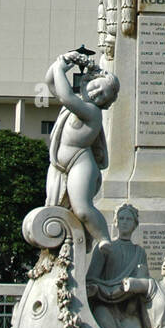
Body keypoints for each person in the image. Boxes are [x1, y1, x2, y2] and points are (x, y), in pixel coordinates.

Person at [43, 50, 119, 246]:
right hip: (59, 165)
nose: (96, 94)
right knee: (55, 208)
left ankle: (104, 240)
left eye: (102, 96)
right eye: (97, 87)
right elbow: (51, 83)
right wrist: (63, 60)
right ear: (89, 80)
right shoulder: (78, 103)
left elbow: (65, 96)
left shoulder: (92, 111)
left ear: (105, 104)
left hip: (80, 162)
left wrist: (61, 69)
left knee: (83, 209)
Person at [85, 204, 149, 328]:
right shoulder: (105, 247)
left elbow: (143, 283)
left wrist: (132, 303)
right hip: (105, 306)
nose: (124, 222)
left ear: (135, 224)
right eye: (121, 218)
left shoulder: (139, 252)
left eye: (129, 219)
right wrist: (105, 289)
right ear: (115, 222)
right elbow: (91, 280)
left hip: (128, 309)